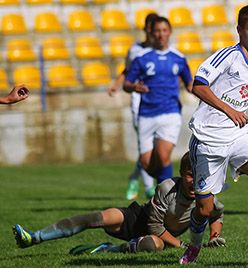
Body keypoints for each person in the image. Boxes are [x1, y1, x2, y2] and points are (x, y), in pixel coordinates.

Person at [179, 3, 248, 265]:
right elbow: (199, 85)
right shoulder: (226, 57)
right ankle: (194, 245)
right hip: (208, 138)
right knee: (205, 209)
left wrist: (234, 116)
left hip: (238, 135)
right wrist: (230, 110)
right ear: (239, 29)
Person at [12, 152, 225, 254]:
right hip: (137, 219)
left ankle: (107, 250)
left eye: (199, 176)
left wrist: (215, 235)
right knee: (95, 218)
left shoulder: (207, 198)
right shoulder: (167, 187)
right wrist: (183, 245)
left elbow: (216, 214)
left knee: (153, 245)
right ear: (181, 174)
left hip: (155, 238)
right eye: (189, 175)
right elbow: (155, 225)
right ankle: (34, 238)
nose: (194, 181)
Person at [123, 16, 193, 184]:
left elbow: (189, 84)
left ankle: (167, 198)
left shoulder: (178, 58)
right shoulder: (141, 58)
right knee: (147, 163)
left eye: (164, 30)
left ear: (169, 32)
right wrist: (134, 87)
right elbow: (126, 84)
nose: (161, 34)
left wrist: (205, 95)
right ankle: (167, 187)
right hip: (146, 114)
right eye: (157, 31)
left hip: (170, 113)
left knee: (163, 156)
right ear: (151, 33)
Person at [107, 13, 159, 201]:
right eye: (152, 29)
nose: (156, 34)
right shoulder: (136, 50)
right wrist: (117, 84)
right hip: (139, 99)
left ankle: (134, 177)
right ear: (146, 30)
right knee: (145, 143)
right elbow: (128, 70)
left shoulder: (164, 51)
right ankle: (149, 188)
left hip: (159, 101)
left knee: (155, 147)